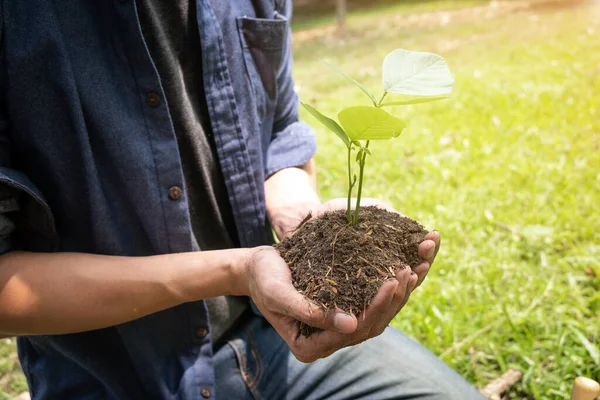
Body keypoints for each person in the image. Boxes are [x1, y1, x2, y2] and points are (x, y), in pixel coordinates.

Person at [0, 1, 485, 399]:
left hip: (269, 333)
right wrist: (236, 270)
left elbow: (278, 135)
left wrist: (298, 210)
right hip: (117, 379)